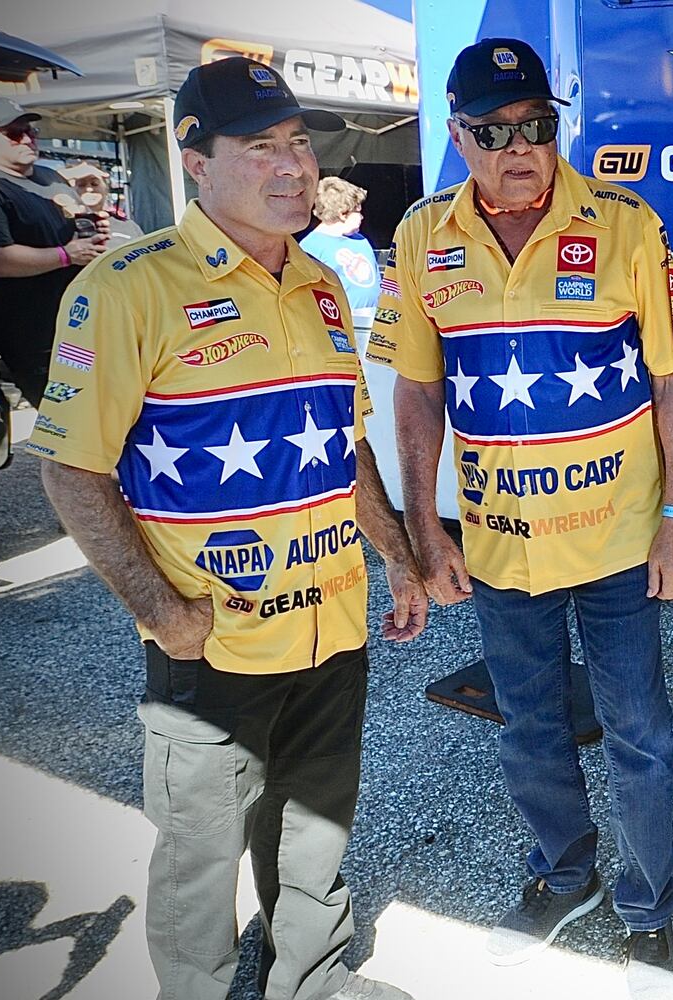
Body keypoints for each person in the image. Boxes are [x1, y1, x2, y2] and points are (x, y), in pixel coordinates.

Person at [31, 58, 426, 1000]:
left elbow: (347, 445)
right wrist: (165, 615)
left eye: (297, 143)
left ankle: (312, 979)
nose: (291, 166)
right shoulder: (126, 286)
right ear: (196, 160)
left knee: (317, 826)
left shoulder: (325, 281)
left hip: (332, 624)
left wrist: (400, 563)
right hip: (214, 644)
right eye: (261, 148)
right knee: (200, 854)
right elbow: (69, 466)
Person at [366, 37, 673, 995]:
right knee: (528, 727)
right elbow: (418, 393)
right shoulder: (425, 236)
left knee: (640, 732)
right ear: (459, 135)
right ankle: (564, 876)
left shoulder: (627, 222)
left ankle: (648, 906)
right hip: (500, 541)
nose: (522, 148)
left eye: (538, 126)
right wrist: (427, 532)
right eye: (496, 130)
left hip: (621, 536)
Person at [0, 97, 109, 408]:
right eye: (14, 133)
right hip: (31, 332)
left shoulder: (49, 175)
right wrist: (67, 255)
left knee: (106, 409)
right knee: (64, 418)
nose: (27, 138)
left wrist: (94, 230)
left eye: (31, 131)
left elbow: (75, 223)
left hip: (81, 319)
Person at [300, 176, 380, 334]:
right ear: (343, 214)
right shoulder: (310, 248)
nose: (362, 217)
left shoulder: (361, 239)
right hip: (340, 328)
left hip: (374, 323)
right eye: (358, 212)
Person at [57, 160, 145, 243]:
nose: (89, 189)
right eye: (81, 185)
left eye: (94, 184)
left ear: (106, 188)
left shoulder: (128, 226)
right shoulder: (59, 225)